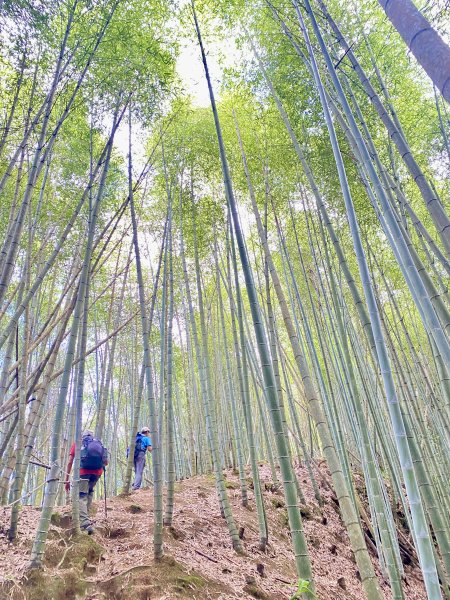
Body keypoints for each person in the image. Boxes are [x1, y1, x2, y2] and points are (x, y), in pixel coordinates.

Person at [65, 429, 108, 534]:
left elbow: (70, 461)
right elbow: (106, 462)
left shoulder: (78, 443)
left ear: (82, 436)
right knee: (89, 492)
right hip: (97, 473)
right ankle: (86, 518)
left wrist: (66, 479)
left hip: (83, 472)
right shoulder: (99, 444)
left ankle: (84, 523)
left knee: (81, 496)